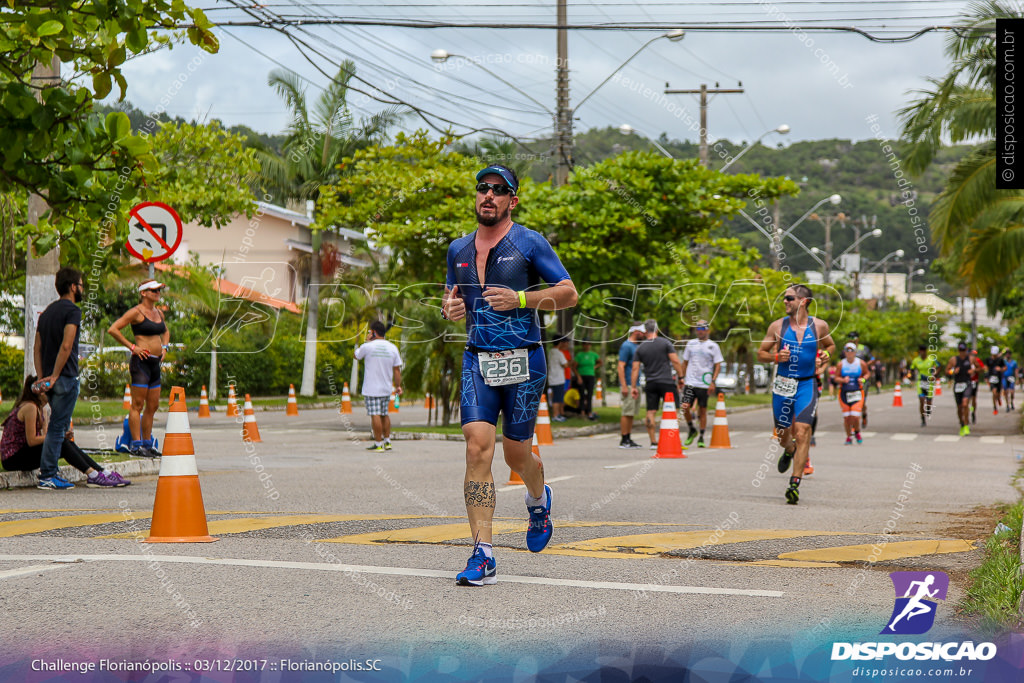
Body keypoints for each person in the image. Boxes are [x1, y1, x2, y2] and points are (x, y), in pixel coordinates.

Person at [442, 164, 577, 586]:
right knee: (477, 447)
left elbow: (569, 293)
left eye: (500, 190)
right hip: (477, 359)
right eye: (483, 188)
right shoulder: (458, 249)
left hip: (524, 360)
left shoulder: (529, 242)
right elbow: (451, 298)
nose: (490, 195)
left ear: (512, 200)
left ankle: (538, 499)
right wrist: (451, 309)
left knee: (515, 455)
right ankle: (483, 553)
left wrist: (521, 297)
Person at [757, 284, 836, 505]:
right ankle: (788, 450)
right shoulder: (777, 327)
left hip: (806, 384)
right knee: (784, 435)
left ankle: (794, 483)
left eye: (789, 298)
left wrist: (824, 355)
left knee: (803, 432)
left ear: (804, 302)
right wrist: (775, 358)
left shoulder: (819, 326)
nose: (785, 301)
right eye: (784, 298)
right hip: (783, 384)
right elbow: (760, 353)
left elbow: (831, 346)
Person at [1, 376, 130, 487]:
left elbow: (47, 435)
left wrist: (59, 436)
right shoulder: (30, 407)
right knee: (60, 441)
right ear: (40, 393)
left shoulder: (42, 409)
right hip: (13, 458)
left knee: (63, 442)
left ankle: (101, 472)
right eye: (50, 392)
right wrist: (57, 437)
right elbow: (32, 440)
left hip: (25, 452)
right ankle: (93, 474)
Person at [33, 267, 85, 490]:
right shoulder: (72, 311)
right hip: (64, 378)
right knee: (57, 427)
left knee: (57, 425)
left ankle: (50, 471)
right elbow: (67, 344)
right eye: (81, 285)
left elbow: (37, 348)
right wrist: (55, 375)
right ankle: (48, 474)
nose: (82, 288)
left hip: (51, 380)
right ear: (73, 287)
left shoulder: (47, 313)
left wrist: (43, 377)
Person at [107, 279, 170, 457]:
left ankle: (148, 444)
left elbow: (165, 331)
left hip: (155, 363)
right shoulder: (136, 312)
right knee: (137, 405)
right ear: (143, 293)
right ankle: (136, 444)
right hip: (141, 364)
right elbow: (113, 329)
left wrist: (165, 347)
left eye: (159, 290)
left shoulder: (158, 312)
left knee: (153, 405)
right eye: (154, 290)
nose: (157, 293)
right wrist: (133, 347)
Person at [630, 319, 684, 451]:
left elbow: (635, 368)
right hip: (666, 382)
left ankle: (653, 442)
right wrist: (681, 377)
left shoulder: (641, 347)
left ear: (645, 331)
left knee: (651, 411)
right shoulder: (665, 343)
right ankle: (671, 439)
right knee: (674, 410)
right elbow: (675, 361)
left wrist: (633, 387)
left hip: (651, 383)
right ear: (657, 330)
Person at [354, 320, 403, 452]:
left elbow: (356, 355)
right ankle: (387, 441)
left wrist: (367, 341)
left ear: (374, 332)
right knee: (384, 414)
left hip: (371, 388)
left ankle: (378, 443)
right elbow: (397, 369)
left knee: (375, 414)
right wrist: (398, 386)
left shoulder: (368, 346)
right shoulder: (392, 347)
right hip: (386, 387)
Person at [679, 320, 723, 448]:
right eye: (698, 329)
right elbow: (685, 362)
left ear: (708, 330)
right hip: (690, 382)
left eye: (703, 329)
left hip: (704, 383)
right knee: (685, 406)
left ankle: (702, 436)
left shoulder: (713, 346)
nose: (700, 331)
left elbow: (718, 365)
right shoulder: (691, 344)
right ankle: (692, 429)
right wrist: (681, 377)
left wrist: (713, 382)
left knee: (702, 410)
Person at [616, 324, 645, 449]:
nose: (644, 335)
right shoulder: (626, 346)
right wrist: (624, 385)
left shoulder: (636, 346)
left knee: (632, 412)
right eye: (642, 332)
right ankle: (624, 439)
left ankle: (628, 437)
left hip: (636, 384)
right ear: (636, 331)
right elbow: (620, 366)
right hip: (628, 384)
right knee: (626, 411)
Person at [836, 342, 870, 445]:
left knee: (855, 416)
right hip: (844, 393)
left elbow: (867, 373)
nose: (849, 353)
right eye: (847, 350)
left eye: (851, 350)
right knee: (847, 418)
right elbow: (836, 377)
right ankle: (848, 437)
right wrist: (842, 380)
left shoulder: (860, 363)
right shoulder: (841, 364)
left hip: (857, 392)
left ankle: (857, 431)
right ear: (845, 352)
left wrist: (863, 380)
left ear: (855, 352)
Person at [946, 342, 982, 436]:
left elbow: (980, 369)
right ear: (958, 351)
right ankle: (961, 423)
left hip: (967, 384)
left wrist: (974, 370)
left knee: (965, 403)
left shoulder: (971, 359)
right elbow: (947, 371)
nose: (962, 353)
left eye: (964, 350)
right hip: (958, 384)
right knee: (959, 407)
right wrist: (953, 371)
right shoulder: (953, 359)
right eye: (960, 350)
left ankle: (966, 424)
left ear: (966, 350)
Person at [909, 345, 939, 427]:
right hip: (920, 382)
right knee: (921, 400)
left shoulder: (931, 359)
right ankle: (922, 418)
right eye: (920, 351)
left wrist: (934, 375)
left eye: (923, 350)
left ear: (926, 351)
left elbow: (938, 366)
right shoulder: (916, 360)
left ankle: (928, 409)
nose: (922, 352)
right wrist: (910, 378)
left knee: (928, 401)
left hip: (929, 382)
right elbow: (911, 369)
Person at [848, 331, 873, 426]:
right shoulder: (847, 348)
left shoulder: (863, 348)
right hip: (850, 378)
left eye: (853, 337)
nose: (851, 339)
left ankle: (864, 416)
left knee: (861, 401)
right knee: (851, 401)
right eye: (850, 337)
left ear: (857, 338)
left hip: (862, 378)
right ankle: (853, 420)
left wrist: (865, 365)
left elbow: (872, 359)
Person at [573, 341, 602, 420]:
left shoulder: (593, 354)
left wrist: (595, 367)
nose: (587, 345)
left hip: (591, 376)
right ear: (583, 345)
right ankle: (582, 412)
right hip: (581, 376)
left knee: (589, 395)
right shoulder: (579, 355)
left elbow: (600, 362)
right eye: (585, 344)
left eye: (588, 344)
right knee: (582, 394)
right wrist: (578, 377)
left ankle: (589, 412)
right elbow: (574, 367)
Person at [546, 338, 570, 422]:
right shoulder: (559, 353)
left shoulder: (550, 352)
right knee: (557, 398)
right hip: (558, 379)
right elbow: (565, 365)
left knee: (556, 397)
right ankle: (555, 415)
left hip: (552, 378)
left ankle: (558, 414)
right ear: (560, 342)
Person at [985, 345, 1006, 415]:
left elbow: (1005, 367)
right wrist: (986, 377)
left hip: (999, 377)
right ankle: (995, 407)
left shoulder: (1000, 359)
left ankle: (999, 398)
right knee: (994, 392)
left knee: (998, 393)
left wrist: (1000, 369)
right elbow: (986, 368)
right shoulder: (988, 359)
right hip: (992, 378)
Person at [969, 349, 982, 423]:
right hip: (966, 382)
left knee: (973, 398)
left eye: (975, 354)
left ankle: (973, 412)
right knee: (966, 398)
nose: (973, 356)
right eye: (972, 354)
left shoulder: (977, 360)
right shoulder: (965, 360)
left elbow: (981, 369)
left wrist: (974, 370)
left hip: (974, 381)